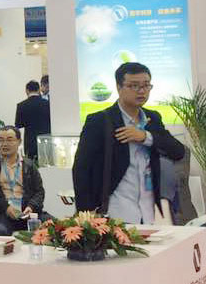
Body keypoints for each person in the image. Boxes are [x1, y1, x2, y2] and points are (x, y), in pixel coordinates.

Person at [71, 62, 187, 222]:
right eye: (134, 86)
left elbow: (178, 152)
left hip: (149, 212)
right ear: (119, 87)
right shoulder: (100, 121)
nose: (142, 91)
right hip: (115, 211)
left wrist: (145, 137)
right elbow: (81, 168)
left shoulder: (152, 118)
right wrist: (85, 212)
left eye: (146, 85)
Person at [0, 125, 51, 236]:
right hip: (1, 213)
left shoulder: (29, 165)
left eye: (9, 140)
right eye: (1, 140)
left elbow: (39, 191)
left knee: (55, 225)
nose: (4, 144)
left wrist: (31, 206)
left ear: (19, 142)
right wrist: (5, 207)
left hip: (26, 212)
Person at [14, 79, 52, 161]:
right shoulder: (47, 104)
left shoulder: (21, 105)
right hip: (45, 139)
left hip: (30, 141)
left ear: (27, 91)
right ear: (38, 90)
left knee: (31, 164)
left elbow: (18, 124)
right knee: (47, 162)